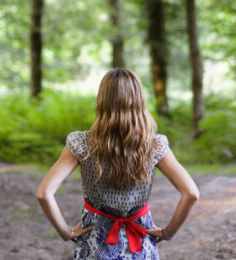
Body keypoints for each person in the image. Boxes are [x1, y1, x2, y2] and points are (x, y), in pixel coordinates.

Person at [36, 68, 199, 259]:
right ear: (139, 101)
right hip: (140, 241)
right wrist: (168, 232)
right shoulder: (154, 145)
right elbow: (191, 193)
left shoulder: (81, 143)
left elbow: (44, 194)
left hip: (94, 244)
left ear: (101, 101)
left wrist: (65, 232)